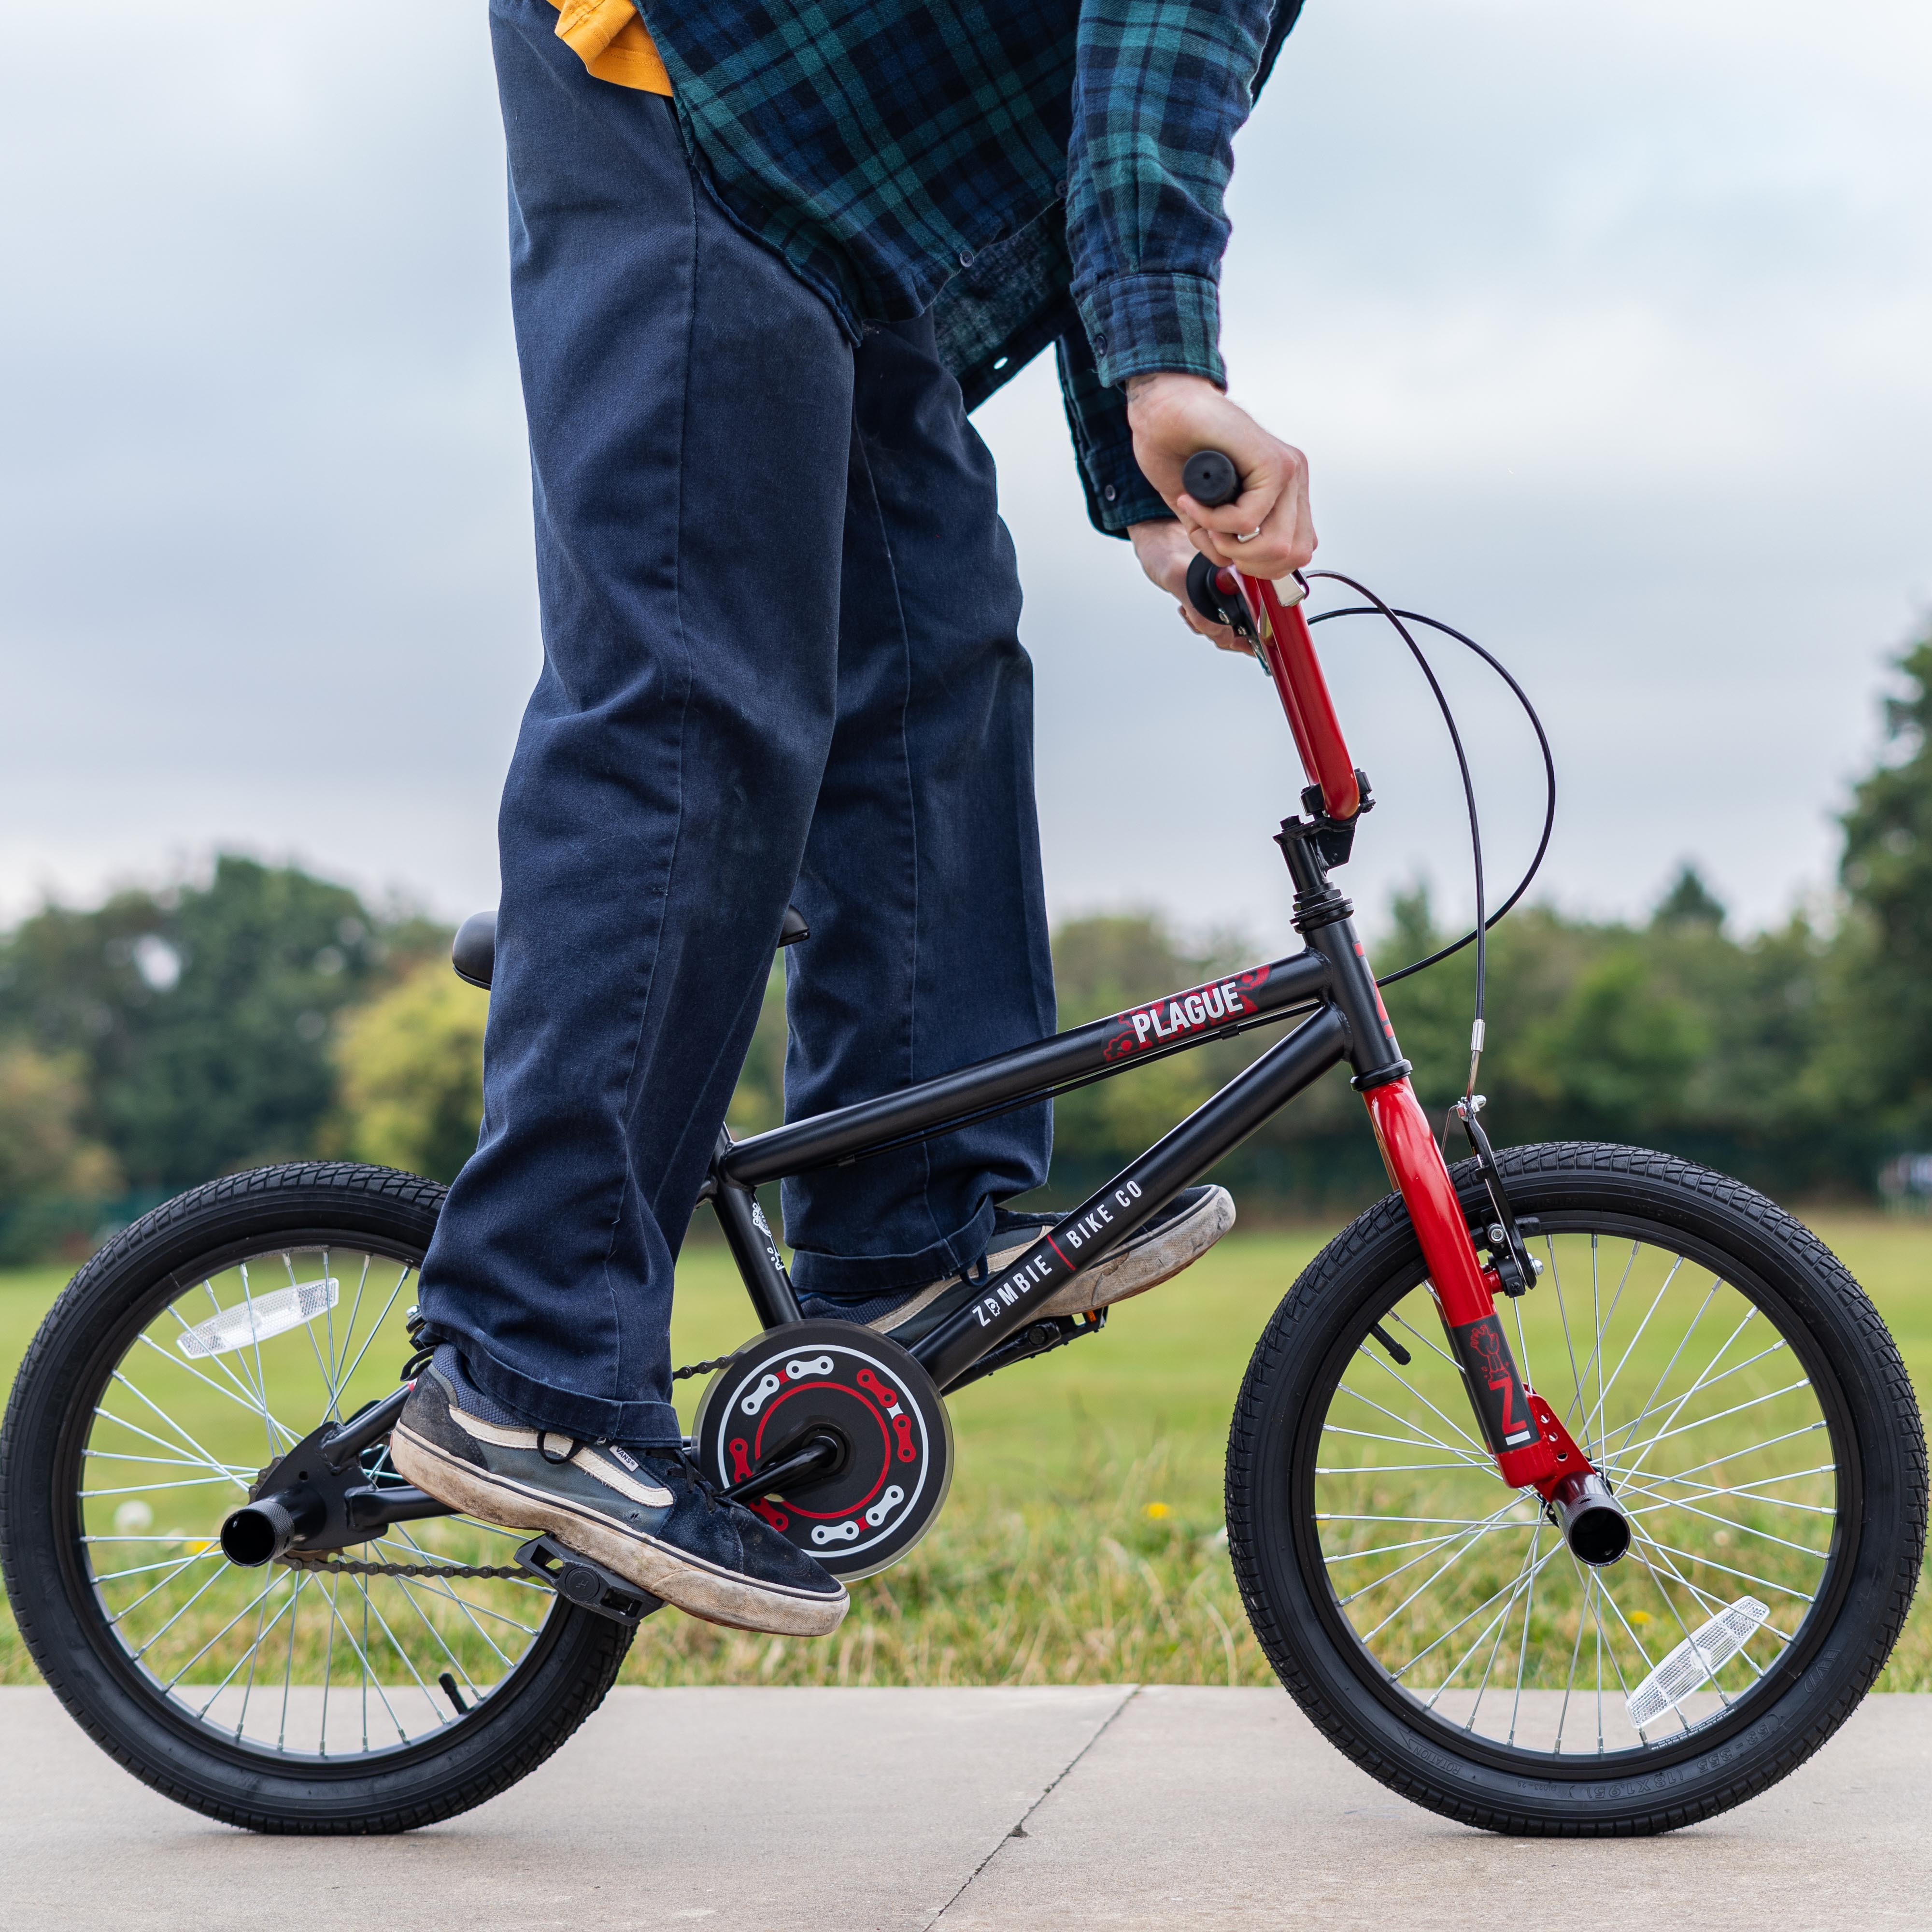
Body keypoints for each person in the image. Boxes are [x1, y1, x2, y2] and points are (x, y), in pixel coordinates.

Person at [391, 0, 1318, 1638]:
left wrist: (1147, 483)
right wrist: (1168, 371)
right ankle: (524, 1361)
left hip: (843, 193)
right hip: (692, 77)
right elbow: (1155, 47)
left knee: (940, 646)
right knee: (698, 700)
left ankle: (904, 1223)